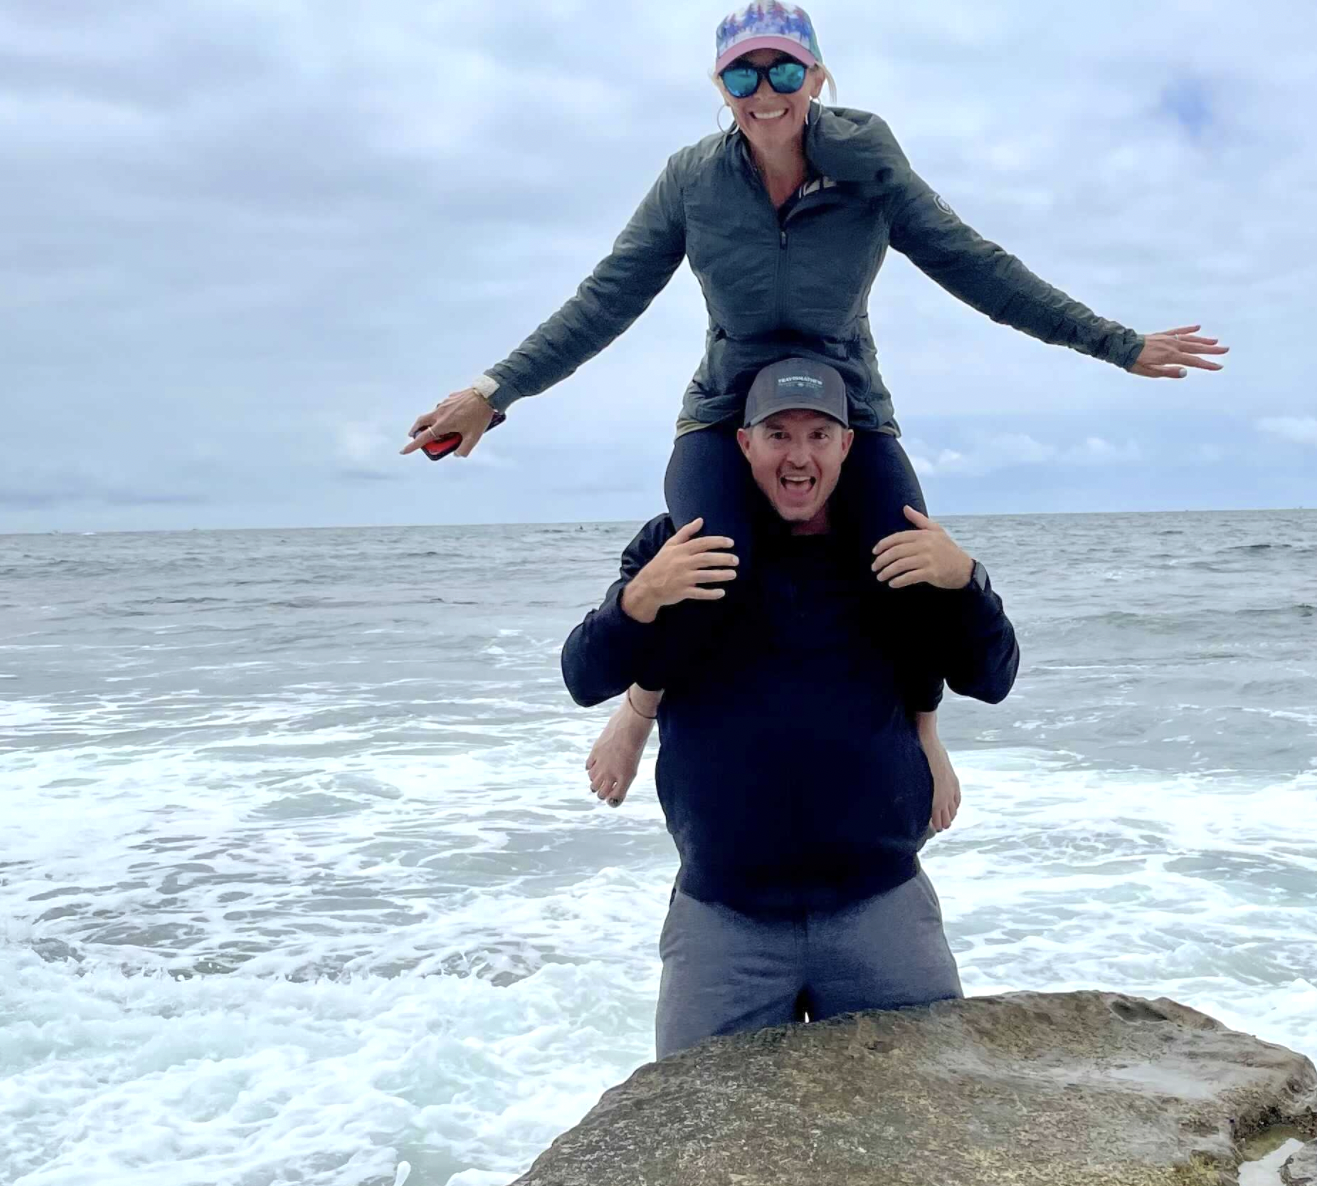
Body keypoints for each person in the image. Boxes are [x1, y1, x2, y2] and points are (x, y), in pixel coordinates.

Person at [402, 1, 1224, 809]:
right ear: (719, 86)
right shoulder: (692, 181)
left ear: (818, 76)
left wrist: (1117, 344)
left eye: (785, 68)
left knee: (908, 563)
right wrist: (493, 391)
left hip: (850, 405)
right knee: (712, 561)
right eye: (743, 72)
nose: (765, 90)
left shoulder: (871, 169)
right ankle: (639, 707)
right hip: (728, 409)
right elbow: (605, 299)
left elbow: (977, 265)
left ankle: (923, 727)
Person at [560, 358, 1019, 1058]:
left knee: (923, 1134)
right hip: (725, 915)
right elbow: (582, 675)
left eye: (818, 434)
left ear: (847, 445)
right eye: (777, 434)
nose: (798, 456)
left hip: (880, 904)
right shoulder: (679, 542)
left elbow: (991, 678)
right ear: (744, 445)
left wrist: (968, 582)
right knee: (700, 1144)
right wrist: (637, 599)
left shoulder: (892, 547)